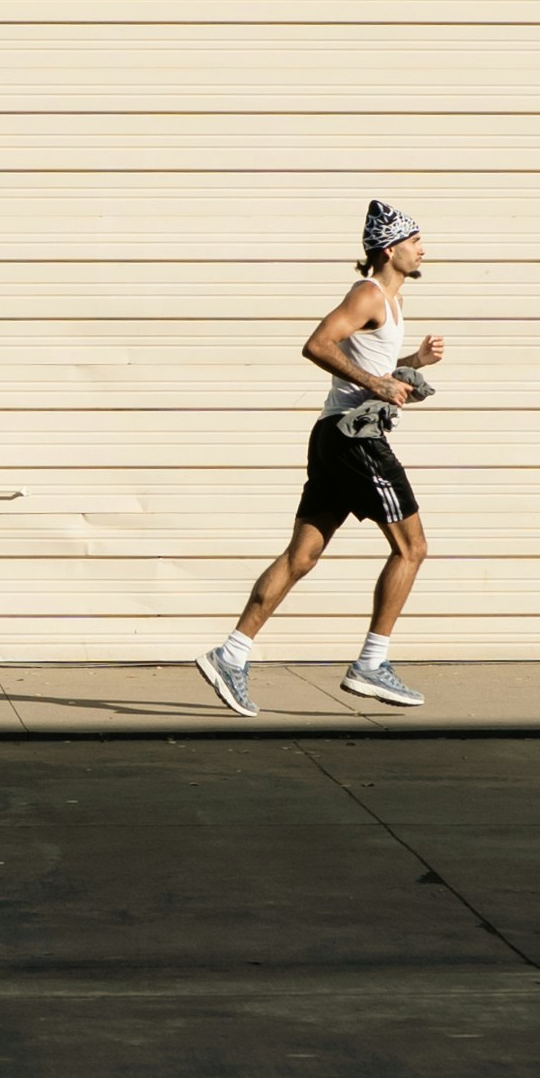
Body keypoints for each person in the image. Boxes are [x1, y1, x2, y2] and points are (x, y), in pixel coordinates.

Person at [199, 201, 443, 716]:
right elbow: (317, 344)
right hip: (355, 439)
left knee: (301, 557)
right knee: (413, 548)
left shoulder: (390, 304)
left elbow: (362, 355)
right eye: (415, 240)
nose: (423, 248)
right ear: (390, 249)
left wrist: (409, 364)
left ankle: (231, 654)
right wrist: (377, 383)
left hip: (334, 437)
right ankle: (371, 665)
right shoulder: (368, 293)